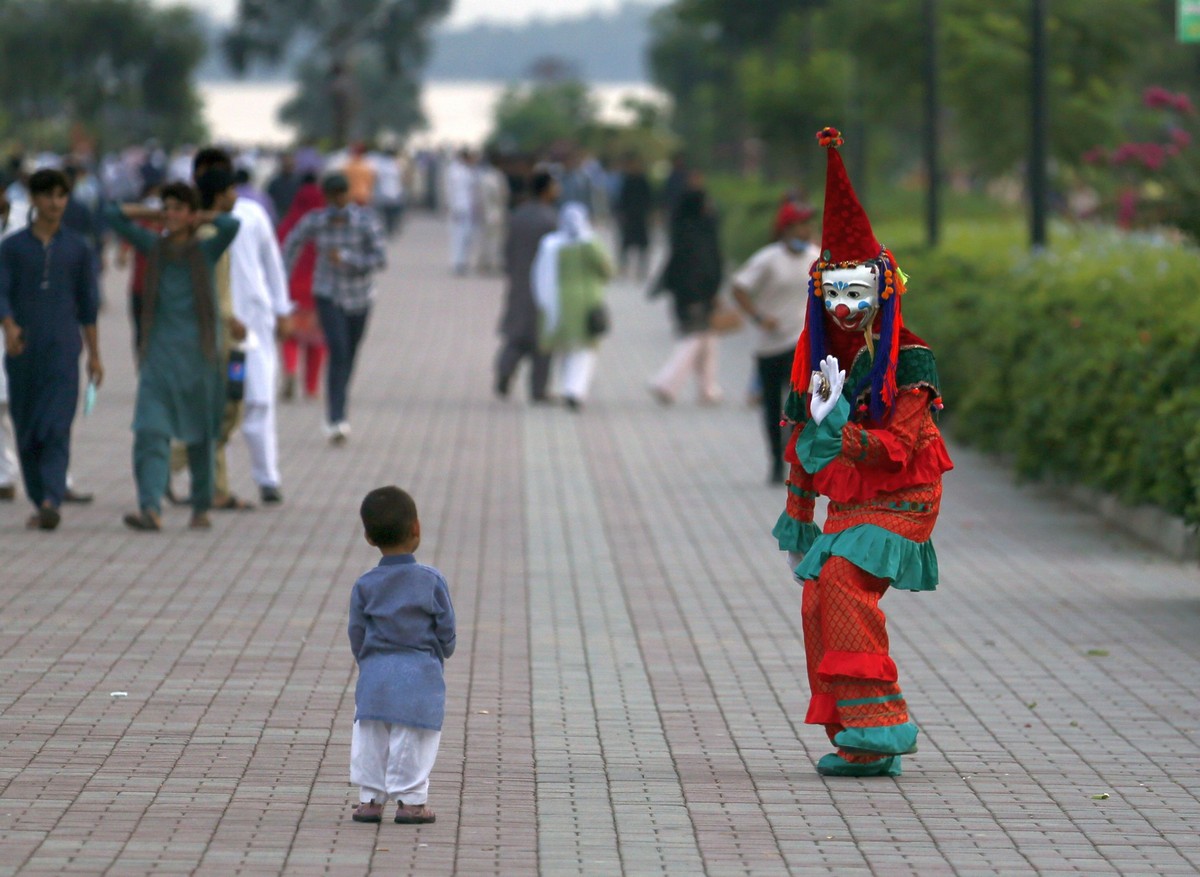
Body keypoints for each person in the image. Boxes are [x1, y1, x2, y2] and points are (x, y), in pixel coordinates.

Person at [774, 128, 954, 778]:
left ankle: (886, 725)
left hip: (903, 494)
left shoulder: (908, 357)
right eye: (835, 293)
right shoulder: (815, 355)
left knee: (846, 580)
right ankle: (858, 738)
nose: (846, 307)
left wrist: (840, 423)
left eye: (858, 292)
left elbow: (900, 446)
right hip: (852, 500)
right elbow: (800, 444)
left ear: (883, 289)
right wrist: (798, 516)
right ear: (820, 292)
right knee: (819, 591)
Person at [106, 183, 241, 531]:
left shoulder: (207, 250)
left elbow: (230, 225)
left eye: (180, 208)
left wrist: (196, 216)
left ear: (192, 214)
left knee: (201, 435)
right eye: (169, 208)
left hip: (200, 358)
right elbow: (111, 215)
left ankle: (201, 506)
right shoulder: (155, 247)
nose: (172, 214)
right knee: (150, 430)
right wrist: (155, 213)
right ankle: (150, 508)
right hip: (160, 355)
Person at [0, 169, 103, 530]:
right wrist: (9, 326)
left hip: (63, 351)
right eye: (48, 196)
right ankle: (39, 495)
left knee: (56, 427)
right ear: (33, 199)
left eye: (62, 196)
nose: (55, 203)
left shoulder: (77, 249)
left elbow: (88, 305)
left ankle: (51, 499)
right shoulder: (12, 248)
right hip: (23, 352)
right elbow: (2, 293)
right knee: (27, 428)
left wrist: (95, 355)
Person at [348, 486, 455, 825]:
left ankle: (369, 800)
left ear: (368, 537)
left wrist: (367, 659)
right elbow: (446, 627)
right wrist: (443, 650)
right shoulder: (430, 580)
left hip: (376, 673)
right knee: (414, 737)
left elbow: (357, 631)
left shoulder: (365, 584)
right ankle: (411, 802)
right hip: (419, 674)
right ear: (416, 528)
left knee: (370, 737)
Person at [195, 148, 293, 506]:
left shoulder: (252, 215)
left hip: (253, 324)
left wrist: (282, 309)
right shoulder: (190, 222)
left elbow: (273, 263)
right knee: (218, 403)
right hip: (210, 327)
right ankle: (204, 476)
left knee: (258, 398)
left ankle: (267, 477)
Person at [282, 173, 387, 445]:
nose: (337, 203)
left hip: (360, 297)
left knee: (349, 354)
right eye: (332, 197)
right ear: (326, 197)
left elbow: (380, 258)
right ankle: (335, 417)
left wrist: (347, 258)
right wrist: (281, 278)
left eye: (342, 196)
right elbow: (292, 244)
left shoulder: (365, 221)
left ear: (349, 195)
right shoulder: (317, 221)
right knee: (337, 349)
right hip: (328, 294)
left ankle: (340, 403)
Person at [732, 201, 820, 484]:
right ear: (784, 229)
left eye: (806, 225)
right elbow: (739, 287)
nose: (803, 231)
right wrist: (758, 317)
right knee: (772, 406)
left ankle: (796, 455)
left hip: (801, 343)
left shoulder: (816, 258)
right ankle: (775, 460)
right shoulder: (768, 259)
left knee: (801, 404)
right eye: (797, 225)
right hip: (769, 345)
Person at [647, 180, 724, 405]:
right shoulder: (702, 233)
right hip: (698, 295)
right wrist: (712, 292)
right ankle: (666, 382)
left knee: (708, 340)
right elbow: (709, 267)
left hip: (684, 295)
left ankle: (708, 389)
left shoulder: (681, 229)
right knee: (694, 339)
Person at [532, 203, 613, 411]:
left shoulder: (551, 243)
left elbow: (539, 273)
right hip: (587, 302)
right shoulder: (590, 243)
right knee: (584, 349)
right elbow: (608, 270)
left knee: (566, 347)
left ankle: (568, 387)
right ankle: (575, 391)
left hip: (558, 302)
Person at [495, 170, 559, 402]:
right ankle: (538, 390)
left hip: (520, 281)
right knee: (542, 340)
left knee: (516, 337)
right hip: (544, 286)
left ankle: (504, 370)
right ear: (546, 190)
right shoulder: (551, 219)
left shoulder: (518, 215)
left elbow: (508, 248)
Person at [277, 177, 326, 401]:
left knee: (290, 336)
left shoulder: (288, 224)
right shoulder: (325, 226)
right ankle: (312, 386)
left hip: (291, 289)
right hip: (318, 290)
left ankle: (289, 369)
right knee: (317, 342)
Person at [615, 154, 653, 280]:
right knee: (625, 246)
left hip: (641, 217)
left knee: (643, 246)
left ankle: (641, 270)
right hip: (629, 217)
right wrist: (621, 213)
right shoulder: (627, 180)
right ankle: (623, 268)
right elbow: (622, 199)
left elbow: (649, 199)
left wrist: (650, 214)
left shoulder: (643, 180)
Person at [473, 153, 509, 273]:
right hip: (496, 212)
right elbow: (503, 195)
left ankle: (483, 264)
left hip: (486, 213)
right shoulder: (498, 177)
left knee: (485, 239)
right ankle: (494, 264)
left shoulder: (484, 177)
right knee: (496, 241)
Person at [444, 149, 476, 275]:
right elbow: (449, 190)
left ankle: (463, 261)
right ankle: (457, 262)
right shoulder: (454, 171)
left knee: (466, 237)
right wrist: (450, 206)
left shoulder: (467, 171)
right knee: (457, 237)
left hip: (467, 208)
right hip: (457, 207)